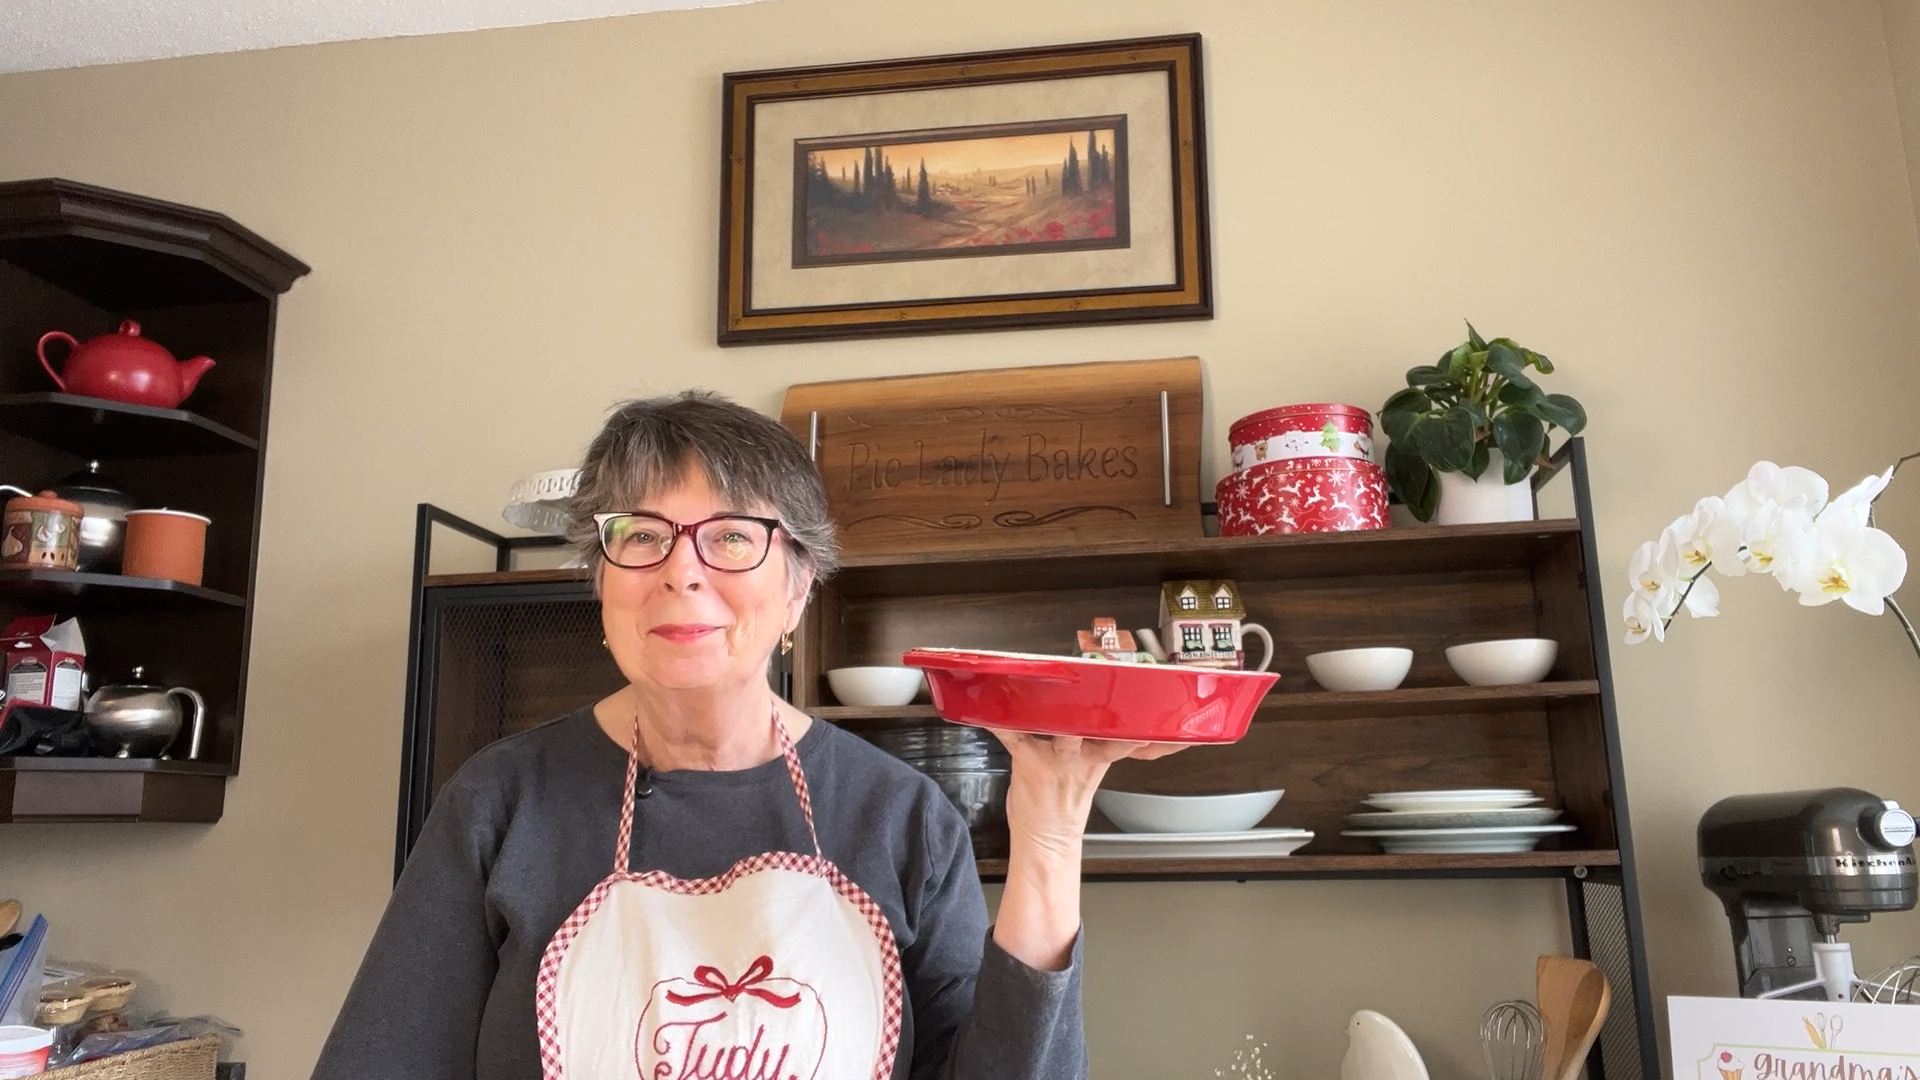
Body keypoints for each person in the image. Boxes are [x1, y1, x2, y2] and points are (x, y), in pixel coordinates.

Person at [311, 390, 1178, 1080]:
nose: (682, 571)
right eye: (641, 537)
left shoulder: (899, 816)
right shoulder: (501, 802)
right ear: (600, 584)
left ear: (799, 590)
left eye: (731, 537)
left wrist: (1052, 832)